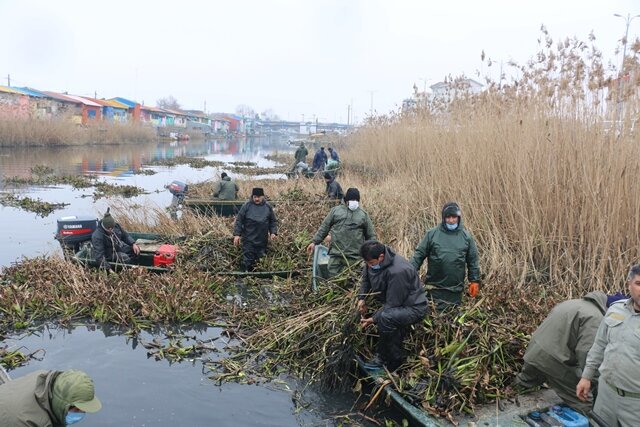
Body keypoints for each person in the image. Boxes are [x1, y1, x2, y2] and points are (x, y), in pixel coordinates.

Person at [514, 291, 626, 413]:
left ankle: (510, 395)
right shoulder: (596, 318)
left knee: (523, 383)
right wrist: (593, 381)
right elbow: (586, 353)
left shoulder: (574, 303)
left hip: (534, 352)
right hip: (554, 361)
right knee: (584, 401)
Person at [577, 265, 640, 425]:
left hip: (635, 403)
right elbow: (599, 345)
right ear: (629, 284)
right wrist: (586, 376)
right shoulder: (615, 309)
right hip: (606, 394)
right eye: (638, 283)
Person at [357, 240, 429, 371]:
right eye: (366, 263)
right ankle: (390, 353)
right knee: (385, 316)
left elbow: (393, 304)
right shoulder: (372, 262)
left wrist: (373, 319)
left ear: (381, 257)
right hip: (396, 303)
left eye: (371, 263)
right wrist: (362, 298)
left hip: (413, 307)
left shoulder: (398, 271)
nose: (368, 266)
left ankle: (385, 358)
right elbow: (366, 279)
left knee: (386, 317)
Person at [410, 202, 480, 310]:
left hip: (455, 290)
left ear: (458, 217)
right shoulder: (432, 234)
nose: (451, 220)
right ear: (443, 218)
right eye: (448, 217)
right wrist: (409, 272)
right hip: (434, 288)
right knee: (433, 313)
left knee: (452, 316)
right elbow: (419, 255)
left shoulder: (466, 237)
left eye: (454, 217)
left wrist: (474, 281)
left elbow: (473, 261)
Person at [306, 188, 376, 278]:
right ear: (346, 200)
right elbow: (324, 227)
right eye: (352, 200)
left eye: (356, 200)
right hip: (336, 255)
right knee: (333, 279)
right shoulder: (336, 211)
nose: (354, 202)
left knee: (354, 279)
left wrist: (371, 253)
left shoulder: (363, 215)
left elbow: (371, 236)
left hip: (355, 257)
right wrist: (315, 242)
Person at [0, 369, 102, 426]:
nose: (80, 413)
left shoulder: (45, 380)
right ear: (62, 403)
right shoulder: (27, 422)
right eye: (76, 408)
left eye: (83, 410)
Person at [233, 187, 278, 271]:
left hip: (262, 240)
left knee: (260, 261)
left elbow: (273, 221)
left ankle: (257, 279)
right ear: (252, 196)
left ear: (263, 197)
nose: (257, 199)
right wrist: (237, 235)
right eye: (255, 197)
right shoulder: (246, 206)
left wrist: (273, 233)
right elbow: (239, 221)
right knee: (247, 261)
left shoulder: (268, 207)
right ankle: (244, 276)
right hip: (249, 239)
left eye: (259, 197)